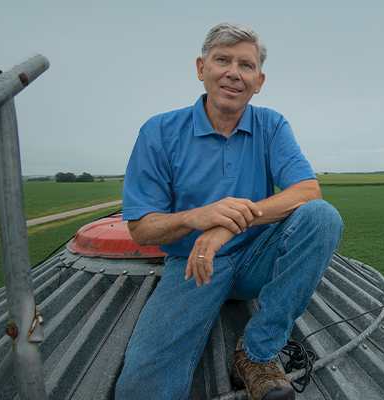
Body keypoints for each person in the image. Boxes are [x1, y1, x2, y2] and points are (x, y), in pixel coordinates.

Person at [115, 23, 343, 400]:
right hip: (196, 265)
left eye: (246, 65)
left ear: (259, 80)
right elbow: (142, 228)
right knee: (143, 386)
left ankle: (256, 353)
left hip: (257, 259)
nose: (234, 73)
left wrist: (226, 227)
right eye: (223, 60)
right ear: (201, 68)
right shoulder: (159, 132)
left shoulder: (271, 125)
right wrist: (195, 217)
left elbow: (307, 191)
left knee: (322, 217)